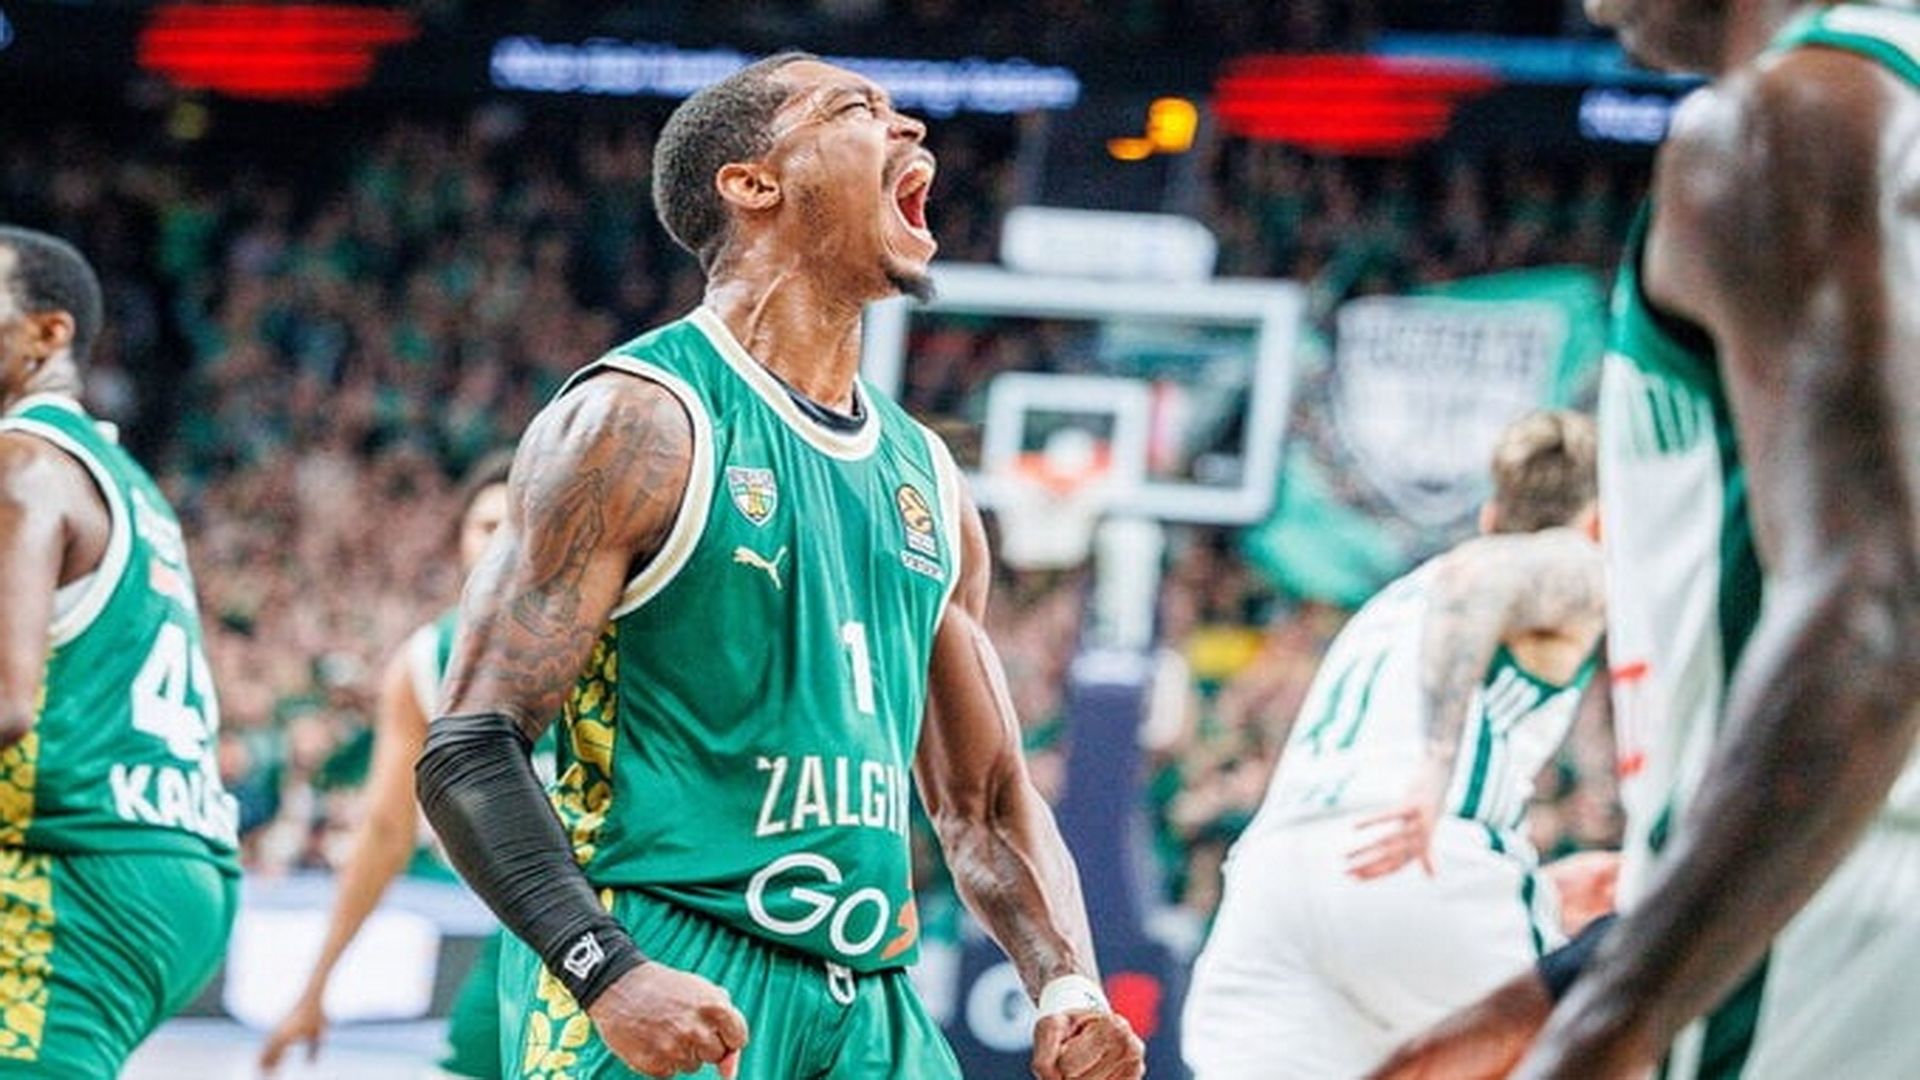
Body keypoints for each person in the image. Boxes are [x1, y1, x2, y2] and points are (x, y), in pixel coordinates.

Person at [414, 53, 1145, 1080]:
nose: (908, 128)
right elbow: (468, 749)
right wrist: (605, 972)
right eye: (857, 109)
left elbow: (982, 801)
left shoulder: (930, 480)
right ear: (752, 183)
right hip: (671, 953)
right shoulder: (640, 420)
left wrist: (1067, 984)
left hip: (870, 991)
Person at [1370, 3, 1920, 1077]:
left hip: (1823, 940)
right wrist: (1557, 990)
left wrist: (1607, 1024)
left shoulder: (1786, 121)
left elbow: (1873, 614)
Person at [1181, 410, 1610, 1079]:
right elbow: (1479, 579)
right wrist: (1435, 767)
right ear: (1600, 522)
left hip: (1274, 880)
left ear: (1491, 514)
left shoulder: (1395, 599)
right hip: (1415, 853)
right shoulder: (1572, 557)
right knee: (1608, 1039)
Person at [0, 225, 240, 1075]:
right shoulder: (127, 481)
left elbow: (6, 705)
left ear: (48, 333)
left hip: (71, 869)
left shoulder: (22, 461)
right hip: (168, 854)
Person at [260, 452, 533, 1078]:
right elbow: (384, 834)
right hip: (529, 939)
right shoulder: (425, 663)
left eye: (523, 525)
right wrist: (315, 987)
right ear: (458, 542)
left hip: (650, 920)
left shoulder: (622, 633)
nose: (503, 543)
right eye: (487, 526)